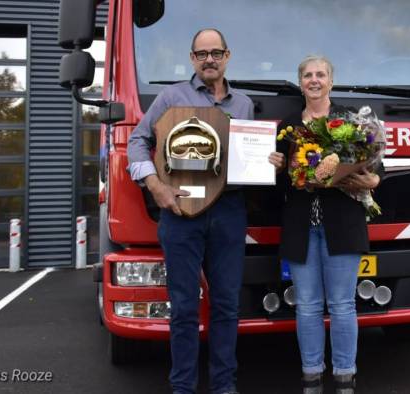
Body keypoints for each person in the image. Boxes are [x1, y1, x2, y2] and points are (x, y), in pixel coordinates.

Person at [127, 28, 253, 394]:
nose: (209, 59)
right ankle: (182, 387)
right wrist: (155, 186)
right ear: (192, 58)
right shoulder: (170, 97)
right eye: (202, 54)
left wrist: (270, 161)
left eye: (216, 53)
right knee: (182, 308)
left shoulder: (243, 104)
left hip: (229, 210)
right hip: (180, 212)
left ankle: (223, 387)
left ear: (227, 56)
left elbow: (245, 157)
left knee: (227, 305)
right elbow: (138, 140)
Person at [268, 55, 382, 394]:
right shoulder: (287, 126)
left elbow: (377, 166)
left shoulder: (349, 121)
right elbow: (278, 183)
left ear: (331, 81)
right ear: (300, 83)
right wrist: (273, 168)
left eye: (321, 74)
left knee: (344, 304)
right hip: (301, 225)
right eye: (307, 75)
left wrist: (372, 181)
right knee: (307, 305)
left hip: (342, 223)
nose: (314, 80)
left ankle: (345, 375)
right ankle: (311, 375)